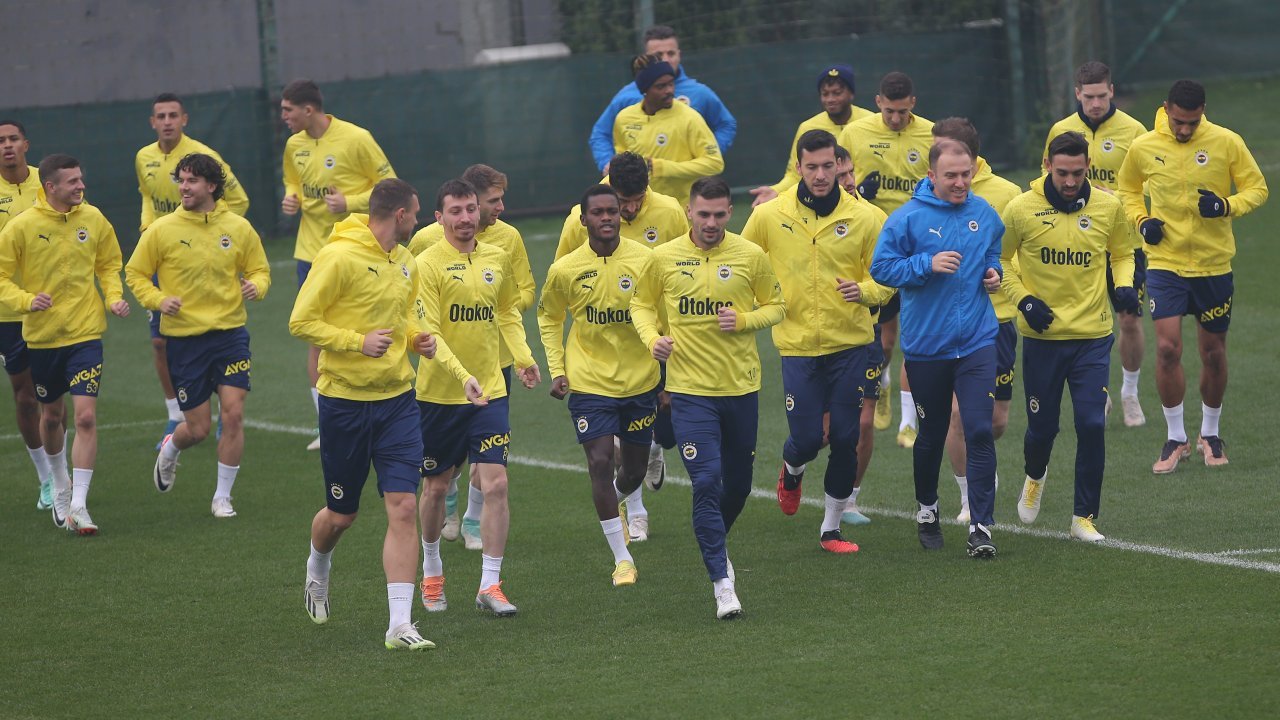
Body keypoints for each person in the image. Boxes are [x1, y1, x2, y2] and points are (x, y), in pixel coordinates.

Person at [289, 178, 468, 650]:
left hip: (398, 402)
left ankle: (399, 625)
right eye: (416, 213)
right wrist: (356, 342)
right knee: (341, 515)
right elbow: (301, 321)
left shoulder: (405, 261)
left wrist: (416, 339)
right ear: (401, 215)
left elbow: (405, 316)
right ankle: (318, 565)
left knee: (404, 506)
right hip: (344, 404)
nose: (419, 221)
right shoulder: (338, 257)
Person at [631, 176, 785, 619]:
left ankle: (715, 539)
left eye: (719, 215)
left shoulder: (750, 255)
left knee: (737, 486)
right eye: (703, 214)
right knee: (705, 480)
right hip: (689, 392)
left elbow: (777, 306)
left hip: (741, 389)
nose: (711, 223)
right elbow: (641, 305)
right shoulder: (663, 258)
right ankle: (722, 583)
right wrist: (652, 339)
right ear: (689, 212)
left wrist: (745, 320)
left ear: (730, 213)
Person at [741, 129, 891, 553]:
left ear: (839, 167)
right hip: (798, 346)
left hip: (851, 345)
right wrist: (757, 303)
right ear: (799, 168)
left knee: (845, 438)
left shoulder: (867, 217)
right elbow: (742, 260)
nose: (822, 175)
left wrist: (865, 291)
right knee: (808, 439)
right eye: (813, 167)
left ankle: (831, 529)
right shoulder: (771, 215)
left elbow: (887, 277)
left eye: (829, 166)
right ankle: (791, 470)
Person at [1118, 79, 1268, 472]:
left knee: (1213, 353)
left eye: (1193, 122)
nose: (1185, 129)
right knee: (1168, 349)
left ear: (1203, 113)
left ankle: (1210, 434)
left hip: (1213, 265)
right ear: (1166, 109)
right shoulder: (1144, 146)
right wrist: (1142, 220)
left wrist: (1225, 205)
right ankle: (1175, 438)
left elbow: (1257, 189)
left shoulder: (1226, 142)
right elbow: (1127, 190)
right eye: (1179, 121)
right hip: (1165, 264)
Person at [869, 140, 1003, 558]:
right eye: (951, 176)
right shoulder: (907, 218)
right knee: (930, 434)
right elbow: (881, 268)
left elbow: (993, 248)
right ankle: (927, 509)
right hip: (928, 348)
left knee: (979, 428)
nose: (960, 182)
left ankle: (980, 526)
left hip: (978, 341)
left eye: (966, 174)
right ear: (932, 176)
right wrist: (926, 265)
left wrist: (994, 272)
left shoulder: (984, 212)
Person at [415, 179, 541, 618]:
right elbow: (429, 332)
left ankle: (490, 584)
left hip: (490, 391)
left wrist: (523, 358)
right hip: (439, 396)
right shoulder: (427, 264)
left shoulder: (497, 257)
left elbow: (506, 311)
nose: (466, 217)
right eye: (456, 211)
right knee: (435, 487)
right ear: (439, 218)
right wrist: (462, 376)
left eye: (471, 209)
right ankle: (432, 571)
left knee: (497, 483)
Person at [1002, 131, 1137, 541]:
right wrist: (1024, 300)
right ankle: (1035, 476)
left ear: (1088, 167)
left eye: (1078, 173)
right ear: (1047, 165)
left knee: (1092, 423)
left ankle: (1084, 517)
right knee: (1042, 430)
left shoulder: (1108, 207)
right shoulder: (1020, 209)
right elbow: (1000, 260)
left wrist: (1124, 284)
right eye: (1062, 172)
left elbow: (1123, 253)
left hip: (1092, 336)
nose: (1070, 181)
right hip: (1042, 339)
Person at [126, 153, 271, 518]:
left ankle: (222, 497)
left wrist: (256, 286)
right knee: (198, 429)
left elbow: (260, 270)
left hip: (230, 336)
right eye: (181, 180)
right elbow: (135, 273)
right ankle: (172, 448)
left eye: (192, 181)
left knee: (233, 415)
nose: (184, 187)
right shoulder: (161, 229)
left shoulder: (238, 227)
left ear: (211, 186)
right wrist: (159, 300)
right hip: (185, 341)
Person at [554, 150, 690, 537]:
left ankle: (654, 448)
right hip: (603, 350)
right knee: (612, 442)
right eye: (622, 201)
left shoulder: (669, 212)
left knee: (666, 431)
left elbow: (685, 264)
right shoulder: (579, 219)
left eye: (637, 200)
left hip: (657, 338)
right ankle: (636, 512)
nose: (629, 209)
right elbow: (561, 275)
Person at [0, 154, 129, 535]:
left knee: (85, 417)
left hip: (85, 334)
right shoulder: (22, 227)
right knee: (52, 416)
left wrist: (113, 297)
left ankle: (79, 505)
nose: (81, 186)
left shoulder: (94, 218)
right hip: (42, 338)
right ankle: (59, 483)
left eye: (81, 179)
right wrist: (26, 301)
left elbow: (109, 263)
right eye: (72, 181)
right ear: (50, 187)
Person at [538, 184, 661, 586]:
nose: (606, 218)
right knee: (600, 461)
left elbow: (663, 317)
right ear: (584, 219)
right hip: (589, 380)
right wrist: (557, 368)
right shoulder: (565, 269)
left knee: (634, 471)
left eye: (612, 211)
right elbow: (549, 317)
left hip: (640, 380)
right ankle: (622, 559)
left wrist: (668, 376)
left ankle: (616, 501)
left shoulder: (646, 261)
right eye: (598, 212)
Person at [280, 79, 396, 451]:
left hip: (355, 251)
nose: (283, 117)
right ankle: (327, 423)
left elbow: (390, 185)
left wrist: (350, 202)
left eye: (287, 110)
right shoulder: (294, 145)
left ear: (308, 109)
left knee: (363, 329)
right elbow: (292, 180)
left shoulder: (357, 138)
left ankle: (376, 408)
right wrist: (292, 197)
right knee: (318, 334)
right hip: (311, 253)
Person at [137, 93, 251, 449]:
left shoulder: (205, 157)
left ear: (184, 119)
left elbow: (239, 200)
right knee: (159, 341)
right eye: (160, 116)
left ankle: (221, 410)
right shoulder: (143, 157)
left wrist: (216, 236)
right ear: (152, 122)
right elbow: (148, 196)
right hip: (163, 252)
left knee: (209, 330)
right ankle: (176, 412)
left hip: (202, 254)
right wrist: (148, 225)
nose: (167, 122)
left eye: (173, 115)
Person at [1043, 62, 1150, 427]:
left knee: (1129, 319)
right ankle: (1098, 392)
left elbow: (1151, 186)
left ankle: (1130, 393)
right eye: (1088, 97)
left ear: (1112, 91)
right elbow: (1047, 181)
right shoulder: (1060, 130)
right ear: (1077, 94)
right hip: (1077, 243)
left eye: (1101, 96)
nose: (1095, 103)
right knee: (1085, 320)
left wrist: (1111, 196)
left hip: (1124, 242)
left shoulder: (1134, 131)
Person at [930, 118, 1022, 524]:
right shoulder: (927, 191)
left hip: (996, 320)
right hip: (948, 321)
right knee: (958, 416)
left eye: (945, 150)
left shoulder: (1006, 194)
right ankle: (970, 497)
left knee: (994, 421)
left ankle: (983, 459)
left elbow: (1014, 252)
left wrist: (997, 273)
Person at [839, 72, 936, 449]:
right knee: (882, 337)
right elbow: (837, 178)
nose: (895, 119)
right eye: (889, 111)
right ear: (878, 102)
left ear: (913, 103)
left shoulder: (931, 134)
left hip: (918, 248)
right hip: (875, 247)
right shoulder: (855, 133)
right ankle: (880, 382)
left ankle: (909, 419)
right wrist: (860, 192)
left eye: (902, 112)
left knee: (910, 335)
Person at [0, 119, 58, 511]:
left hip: (51, 305)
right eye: (0, 141)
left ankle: (63, 475)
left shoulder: (48, 182)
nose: (7, 145)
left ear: (26, 144)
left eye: (13, 139)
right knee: (24, 396)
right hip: (8, 311)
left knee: (52, 396)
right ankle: (45, 478)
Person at [588, 25, 735, 174]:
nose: (666, 59)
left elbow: (726, 124)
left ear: (679, 55)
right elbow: (601, 133)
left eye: (671, 53)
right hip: (641, 185)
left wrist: (705, 153)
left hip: (686, 183)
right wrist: (607, 163)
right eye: (659, 55)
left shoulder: (699, 93)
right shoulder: (626, 97)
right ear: (646, 57)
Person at [749, 64, 875, 206]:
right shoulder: (808, 127)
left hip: (870, 204)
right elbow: (795, 174)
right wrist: (776, 190)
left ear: (851, 93)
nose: (830, 99)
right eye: (825, 94)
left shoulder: (870, 122)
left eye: (837, 93)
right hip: (824, 205)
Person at [613, 55, 724, 203]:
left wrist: (665, 168)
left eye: (671, 84)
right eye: (661, 86)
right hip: (640, 209)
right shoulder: (624, 118)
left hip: (682, 208)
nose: (669, 90)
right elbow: (621, 160)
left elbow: (714, 163)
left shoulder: (690, 118)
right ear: (645, 89)